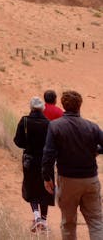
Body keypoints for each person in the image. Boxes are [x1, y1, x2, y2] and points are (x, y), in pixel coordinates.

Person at [42, 90, 103, 239]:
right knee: (96, 222)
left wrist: (47, 177)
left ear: (63, 105)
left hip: (67, 180)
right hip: (90, 179)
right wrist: (96, 151)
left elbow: (48, 154)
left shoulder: (55, 126)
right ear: (80, 105)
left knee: (68, 223)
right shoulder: (92, 126)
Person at [14, 96, 55, 233]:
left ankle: (36, 217)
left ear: (31, 107)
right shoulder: (49, 124)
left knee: (31, 186)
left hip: (30, 160)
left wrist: (29, 145)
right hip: (45, 160)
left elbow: (18, 142)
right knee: (45, 187)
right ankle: (43, 220)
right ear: (42, 108)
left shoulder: (25, 121)